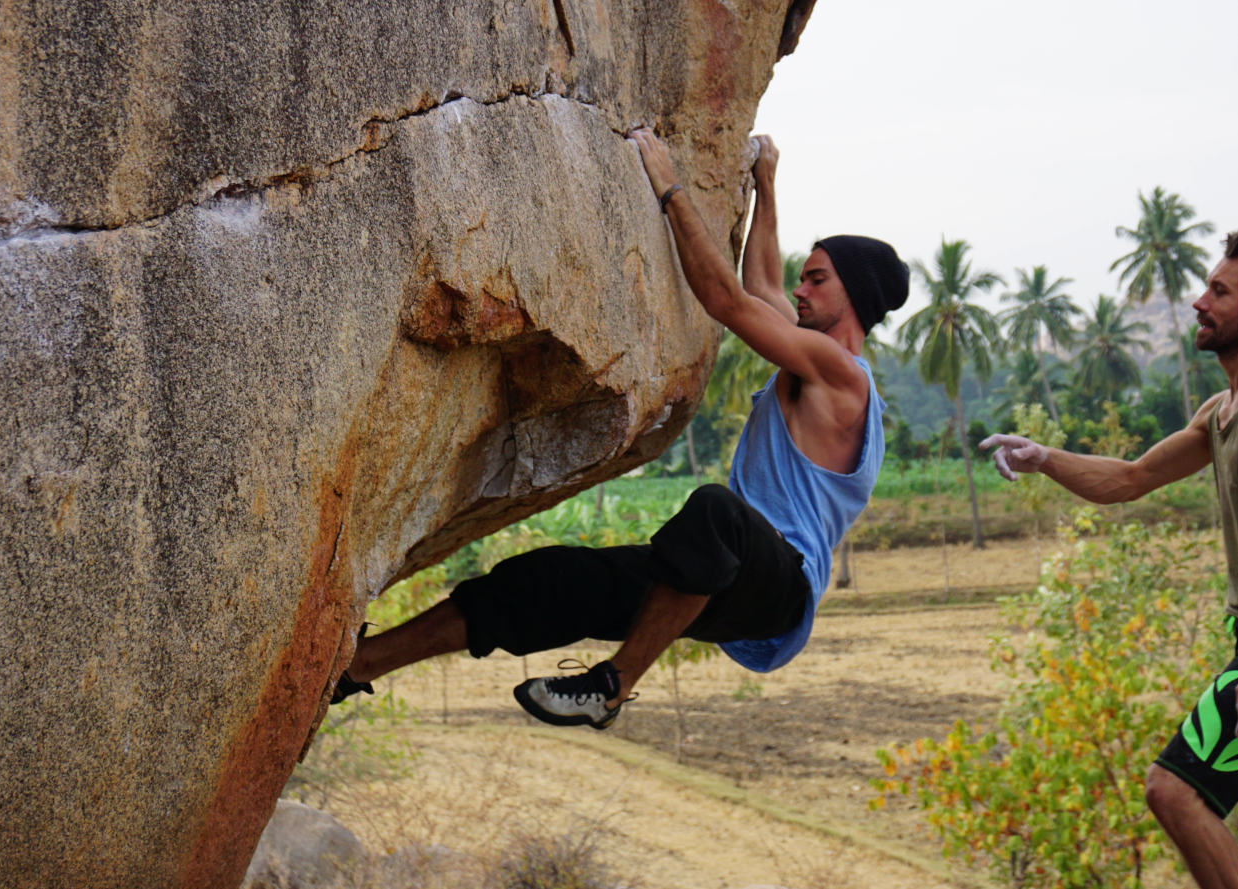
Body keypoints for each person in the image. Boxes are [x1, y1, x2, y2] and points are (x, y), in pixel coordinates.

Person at [329, 129, 908, 730]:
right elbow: (760, 287)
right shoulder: (813, 357)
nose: (800, 290)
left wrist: (670, 189)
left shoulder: (843, 376)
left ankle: (611, 685)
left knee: (717, 512)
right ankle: (362, 665)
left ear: (855, 294)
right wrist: (766, 183)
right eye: (804, 277)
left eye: (817, 280)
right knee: (548, 581)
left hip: (776, 585)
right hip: (722, 575)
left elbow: (728, 302)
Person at [980, 232, 1238, 889]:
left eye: (1219, 290)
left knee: (1173, 790)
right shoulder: (1223, 409)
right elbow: (1131, 478)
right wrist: (1044, 457)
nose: (1199, 301)